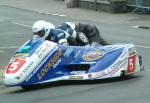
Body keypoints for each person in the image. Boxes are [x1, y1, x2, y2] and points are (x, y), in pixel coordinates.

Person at [32, 20, 109, 46]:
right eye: (36, 34)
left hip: (88, 31)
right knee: (106, 45)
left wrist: (87, 46)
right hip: (80, 35)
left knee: (96, 50)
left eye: (40, 33)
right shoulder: (50, 35)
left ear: (46, 29)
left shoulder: (57, 33)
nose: (38, 35)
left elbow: (80, 35)